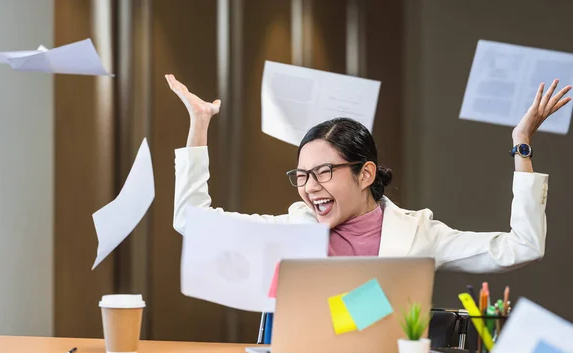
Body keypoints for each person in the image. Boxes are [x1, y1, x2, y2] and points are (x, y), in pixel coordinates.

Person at [167, 73, 571, 273]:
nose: (309, 188)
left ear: (365, 174)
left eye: (323, 172)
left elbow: (524, 246)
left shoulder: (419, 234)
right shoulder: (293, 227)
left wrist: (522, 144)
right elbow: (191, 222)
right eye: (301, 175)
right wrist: (199, 123)